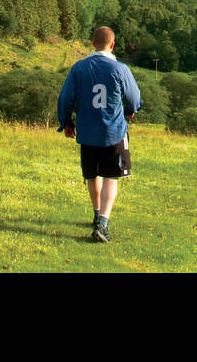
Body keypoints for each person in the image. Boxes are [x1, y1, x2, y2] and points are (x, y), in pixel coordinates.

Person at [57, 26, 142, 242]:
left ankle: (96, 214)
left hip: (87, 131)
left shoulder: (79, 68)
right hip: (113, 132)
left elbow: (65, 98)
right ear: (112, 45)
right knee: (111, 177)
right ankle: (103, 223)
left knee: (92, 175)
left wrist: (66, 122)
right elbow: (133, 97)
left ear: (93, 43)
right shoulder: (120, 68)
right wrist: (131, 111)